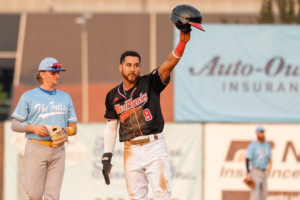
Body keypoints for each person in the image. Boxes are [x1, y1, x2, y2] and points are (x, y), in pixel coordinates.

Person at [101, 29, 191, 200]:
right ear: (120, 67)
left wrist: (182, 43)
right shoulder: (112, 96)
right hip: (130, 149)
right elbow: (111, 127)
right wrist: (107, 155)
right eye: (128, 65)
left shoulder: (150, 83)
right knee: (136, 197)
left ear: (140, 67)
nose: (132, 69)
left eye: (136, 65)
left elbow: (169, 64)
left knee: (162, 195)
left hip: (154, 146)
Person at [11, 57, 78, 200]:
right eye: (53, 73)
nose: (57, 76)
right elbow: (14, 124)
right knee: (34, 195)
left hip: (58, 150)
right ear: (42, 74)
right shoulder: (29, 96)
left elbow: (74, 128)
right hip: (36, 148)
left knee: (53, 196)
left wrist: (65, 131)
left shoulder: (65, 97)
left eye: (58, 73)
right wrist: (32, 128)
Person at [245, 127, 272, 200]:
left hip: (264, 172)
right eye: (260, 132)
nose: (262, 134)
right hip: (256, 170)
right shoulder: (253, 145)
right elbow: (248, 159)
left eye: (263, 132)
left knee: (264, 194)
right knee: (255, 194)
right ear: (257, 134)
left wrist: (270, 166)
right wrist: (248, 172)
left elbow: (270, 157)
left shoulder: (267, 144)